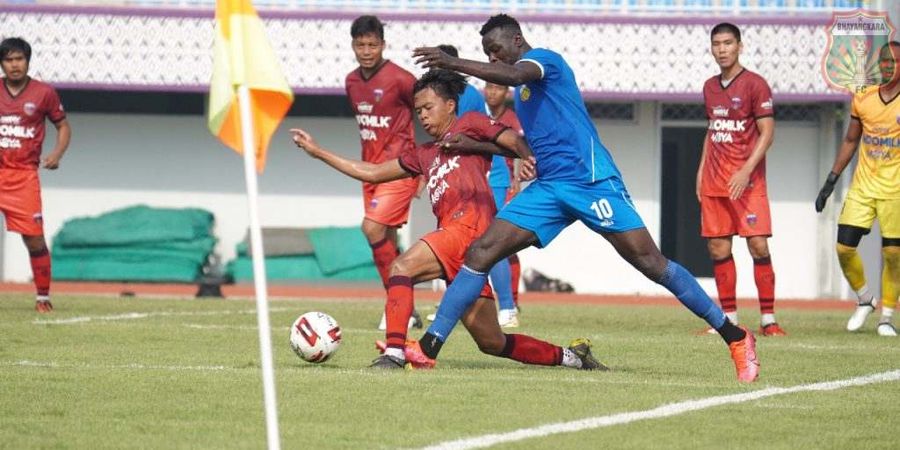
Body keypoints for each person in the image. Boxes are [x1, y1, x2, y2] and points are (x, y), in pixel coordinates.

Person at [409, 14, 759, 382]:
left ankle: (735, 336)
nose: (494, 60)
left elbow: (513, 75)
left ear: (516, 40)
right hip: (550, 187)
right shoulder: (524, 93)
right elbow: (530, 145)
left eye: (495, 51)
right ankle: (428, 348)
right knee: (481, 251)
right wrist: (476, 144)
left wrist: (451, 62)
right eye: (487, 55)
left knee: (650, 262)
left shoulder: (544, 61)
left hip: (591, 181)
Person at [291, 69, 604, 371]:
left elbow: (510, 139)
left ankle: (394, 354)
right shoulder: (424, 153)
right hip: (461, 248)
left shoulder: (469, 123)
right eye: (418, 111)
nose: (423, 116)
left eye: (428, 107)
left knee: (401, 266)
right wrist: (318, 152)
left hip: (467, 231)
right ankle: (571, 357)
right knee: (492, 342)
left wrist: (528, 159)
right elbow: (372, 172)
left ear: (450, 105)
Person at [698, 23, 784, 336]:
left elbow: (768, 133)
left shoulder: (755, 84)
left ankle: (769, 319)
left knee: (758, 246)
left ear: (740, 46)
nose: (722, 49)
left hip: (748, 184)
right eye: (717, 44)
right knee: (718, 250)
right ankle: (729, 318)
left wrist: (746, 170)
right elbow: (713, 131)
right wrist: (700, 171)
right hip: (715, 182)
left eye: (728, 43)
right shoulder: (709, 87)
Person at [816, 41, 900, 337]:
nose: (889, 66)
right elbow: (851, 140)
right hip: (863, 187)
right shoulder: (862, 98)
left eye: (895, 61)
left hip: (895, 191)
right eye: (884, 62)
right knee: (844, 247)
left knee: (893, 255)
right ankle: (865, 298)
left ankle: (887, 317)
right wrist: (831, 180)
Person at [432, 44, 518, 328]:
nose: (435, 74)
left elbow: (465, 137)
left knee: (490, 242)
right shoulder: (452, 95)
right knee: (460, 242)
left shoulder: (464, 95)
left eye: (440, 67)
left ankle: (506, 307)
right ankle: (456, 304)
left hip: (484, 177)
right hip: (463, 176)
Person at [344, 15, 422, 329]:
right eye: (361, 45)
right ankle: (406, 310)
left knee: (371, 229)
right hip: (370, 173)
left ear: (383, 45)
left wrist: (425, 167)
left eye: (372, 44)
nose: (366, 50)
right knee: (385, 238)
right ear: (353, 46)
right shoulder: (351, 82)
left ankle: (395, 304)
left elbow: (431, 110)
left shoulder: (402, 79)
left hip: (399, 169)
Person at [0, 37, 71, 313]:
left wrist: (56, 154)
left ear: (27, 61)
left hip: (23, 176)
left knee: (34, 239)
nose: (14, 65)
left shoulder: (44, 93)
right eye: (8, 59)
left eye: (19, 59)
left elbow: (63, 126)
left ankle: (43, 297)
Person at [483, 81, 524, 326]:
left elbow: (521, 150)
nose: (492, 92)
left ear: (506, 93)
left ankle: (509, 303)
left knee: (500, 245)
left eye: (497, 88)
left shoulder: (512, 119)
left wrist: (517, 183)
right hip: (485, 181)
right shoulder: (480, 114)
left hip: (504, 185)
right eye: (488, 88)